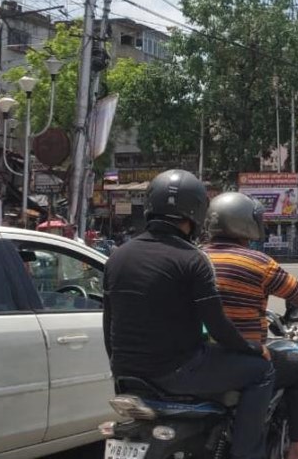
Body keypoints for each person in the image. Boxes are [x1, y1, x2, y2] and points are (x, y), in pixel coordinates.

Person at [103, 170, 274, 459]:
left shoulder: (118, 256)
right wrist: (253, 348)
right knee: (261, 372)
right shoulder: (192, 259)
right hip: (176, 372)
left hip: (127, 375)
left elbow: (109, 323)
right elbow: (217, 324)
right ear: (195, 212)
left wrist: (118, 367)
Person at [203, 192, 298, 459]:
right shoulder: (257, 262)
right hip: (243, 355)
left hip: (201, 356)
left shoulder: (195, 257)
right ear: (246, 224)